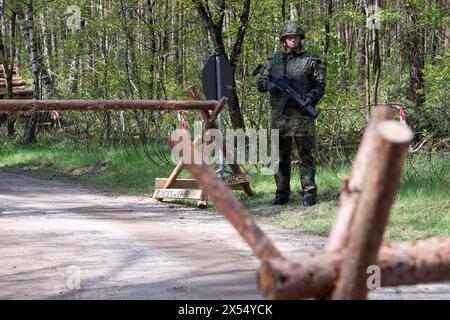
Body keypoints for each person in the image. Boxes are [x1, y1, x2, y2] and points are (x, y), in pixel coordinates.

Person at [257, 21, 326, 206]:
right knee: (280, 156)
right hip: (279, 118)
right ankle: (281, 193)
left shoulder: (310, 60)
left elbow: (320, 85)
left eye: (295, 36)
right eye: (289, 37)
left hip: (302, 117)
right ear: (284, 40)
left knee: (306, 156)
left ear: (300, 38)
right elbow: (261, 82)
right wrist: (271, 85)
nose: (292, 39)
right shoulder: (275, 60)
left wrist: (310, 98)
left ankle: (309, 192)